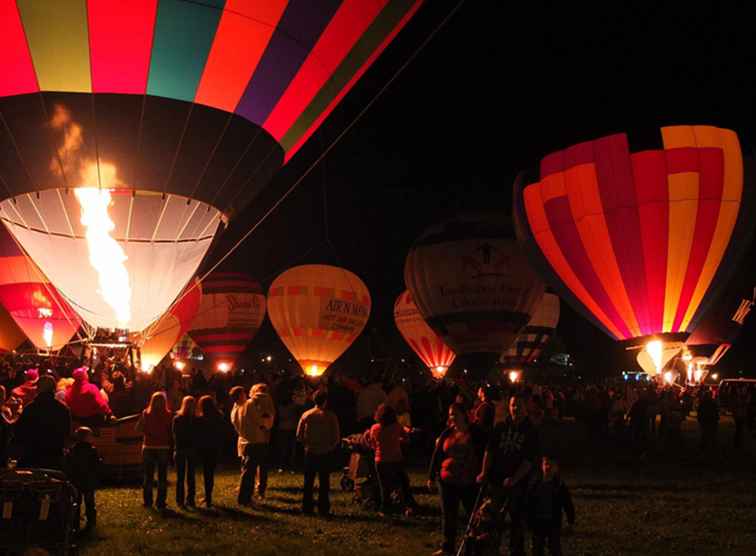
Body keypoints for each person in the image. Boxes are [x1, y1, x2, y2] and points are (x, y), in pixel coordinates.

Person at [476, 394, 540, 556]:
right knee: (492, 518)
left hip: (518, 483)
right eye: (513, 405)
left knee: (517, 520)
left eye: (519, 405)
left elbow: (528, 460)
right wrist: (484, 472)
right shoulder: (500, 427)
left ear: (525, 408)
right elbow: (489, 451)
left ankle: (516, 551)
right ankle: (491, 548)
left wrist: (515, 479)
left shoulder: (530, 430)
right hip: (497, 479)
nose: (515, 408)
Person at [428, 402, 486, 556]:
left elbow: (483, 453)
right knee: (448, 515)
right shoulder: (447, 433)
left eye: (455, 413)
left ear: (464, 414)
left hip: (468, 481)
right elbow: (438, 453)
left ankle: (472, 547)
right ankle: (448, 547)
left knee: (472, 516)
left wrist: (483, 473)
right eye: (450, 413)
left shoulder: (475, 433)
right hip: (447, 481)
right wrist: (431, 476)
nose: (452, 416)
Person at [365, 403, 415, 515]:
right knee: (403, 483)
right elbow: (406, 439)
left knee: (384, 486)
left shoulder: (375, 428)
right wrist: (397, 441)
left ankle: (385, 508)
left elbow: (372, 445)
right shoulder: (397, 427)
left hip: (380, 460)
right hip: (396, 459)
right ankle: (408, 505)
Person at [296, 388, 340, 516]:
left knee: (308, 481)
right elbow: (336, 436)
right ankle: (323, 508)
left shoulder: (307, 415)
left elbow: (299, 435)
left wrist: (306, 444)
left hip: (310, 451)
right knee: (324, 481)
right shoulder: (331, 416)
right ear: (325, 401)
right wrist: (330, 446)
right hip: (325, 451)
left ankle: (307, 507)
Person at [13, 375, 71, 469]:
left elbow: (19, 432)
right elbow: (66, 433)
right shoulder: (62, 409)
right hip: (53, 458)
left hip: (31, 457)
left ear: (38, 389)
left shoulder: (30, 408)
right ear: (54, 389)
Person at [231, 383, 275, 505]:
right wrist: (265, 423)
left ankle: (245, 496)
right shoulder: (250, 404)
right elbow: (259, 420)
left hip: (246, 440)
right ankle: (245, 498)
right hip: (255, 441)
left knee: (247, 469)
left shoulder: (237, 407)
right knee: (250, 471)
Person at [527, 455, 575, 556]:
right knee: (537, 549)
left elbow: (567, 504)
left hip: (553, 523)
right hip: (538, 522)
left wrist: (570, 521)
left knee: (555, 549)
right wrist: (527, 520)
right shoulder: (535, 484)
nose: (548, 467)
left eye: (551, 465)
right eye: (546, 464)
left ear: (556, 468)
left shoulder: (559, 485)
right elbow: (528, 503)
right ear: (542, 466)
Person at [136, 391, 173, 509]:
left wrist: (148, 433)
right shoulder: (168, 415)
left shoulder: (146, 413)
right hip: (163, 446)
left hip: (148, 446)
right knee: (162, 476)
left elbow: (138, 428)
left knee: (148, 476)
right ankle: (161, 502)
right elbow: (170, 431)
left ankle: (148, 501)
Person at [66, 426, 100, 533]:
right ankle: (91, 523)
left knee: (76, 503)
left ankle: (74, 524)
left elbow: (69, 464)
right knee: (90, 503)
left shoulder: (72, 450)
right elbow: (96, 465)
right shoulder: (92, 450)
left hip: (76, 480)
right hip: (88, 481)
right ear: (88, 438)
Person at [194, 395, 224, 507]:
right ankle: (208, 496)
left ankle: (208, 497)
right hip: (214, 447)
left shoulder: (201, 419)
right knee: (209, 472)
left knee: (207, 472)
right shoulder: (219, 416)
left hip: (204, 448)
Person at [173, 395, 196, 507]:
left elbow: (175, 434)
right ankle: (190, 499)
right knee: (190, 476)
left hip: (181, 448)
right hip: (190, 448)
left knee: (181, 477)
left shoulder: (178, 419)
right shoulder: (195, 419)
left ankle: (180, 500)